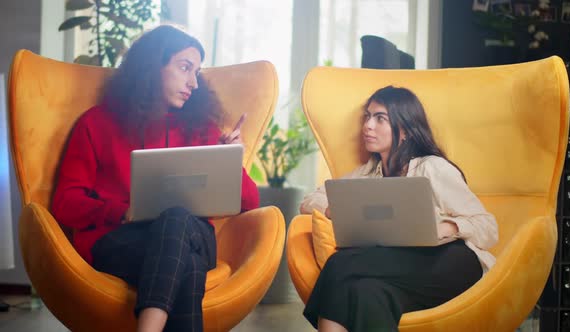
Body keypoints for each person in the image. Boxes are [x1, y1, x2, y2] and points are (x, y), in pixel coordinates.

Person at [51, 25, 259, 332]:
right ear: (151, 66)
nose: (193, 83)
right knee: (184, 265)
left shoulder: (202, 130)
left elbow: (250, 202)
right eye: (185, 67)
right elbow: (65, 203)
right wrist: (120, 212)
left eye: (197, 72)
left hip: (193, 238)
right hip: (119, 241)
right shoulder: (96, 124)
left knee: (175, 218)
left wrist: (232, 161)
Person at [299, 86, 498, 332]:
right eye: (367, 116)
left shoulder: (432, 168)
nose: (368, 126)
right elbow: (309, 201)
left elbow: (488, 226)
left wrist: (445, 227)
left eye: (380, 118)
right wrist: (335, 210)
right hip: (393, 265)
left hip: (449, 262)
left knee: (340, 263)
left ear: (404, 129)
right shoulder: (368, 173)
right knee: (366, 292)